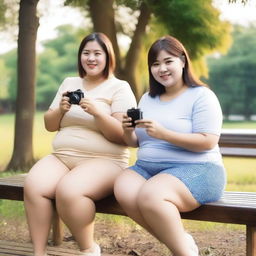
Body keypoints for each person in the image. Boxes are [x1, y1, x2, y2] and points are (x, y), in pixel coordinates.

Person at [24, 32, 137, 256]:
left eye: (97, 53)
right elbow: (49, 124)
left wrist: (97, 113)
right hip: (62, 157)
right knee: (34, 186)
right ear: (80, 57)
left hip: (105, 161)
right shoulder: (69, 82)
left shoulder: (120, 87)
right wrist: (61, 110)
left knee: (69, 190)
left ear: (108, 57)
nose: (91, 58)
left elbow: (123, 137)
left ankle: (88, 248)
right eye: (86, 53)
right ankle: (38, 253)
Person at [114, 35, 226, 256]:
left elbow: (208, 140)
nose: (161, 68)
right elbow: (136, 143)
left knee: (151, 195)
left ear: (183, 61)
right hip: (147, 168)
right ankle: (181, 243)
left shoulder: (202, 96)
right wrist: (127, 129)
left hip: (200, 169)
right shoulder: (147, 98)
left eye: (168, 61)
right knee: (123, 189)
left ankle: (183, 252)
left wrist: (166, 134)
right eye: (155, 64)